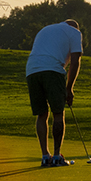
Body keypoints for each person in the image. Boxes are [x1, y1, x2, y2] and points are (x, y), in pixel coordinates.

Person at [26, 19, 84, 167]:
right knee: (58, 113)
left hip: (32, 70)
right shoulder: (74, 32)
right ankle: (57, 156)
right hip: (52, 70)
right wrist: (69, 88)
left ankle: (45, 156)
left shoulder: (46, 29)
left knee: (42, 114)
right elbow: (76, 61)